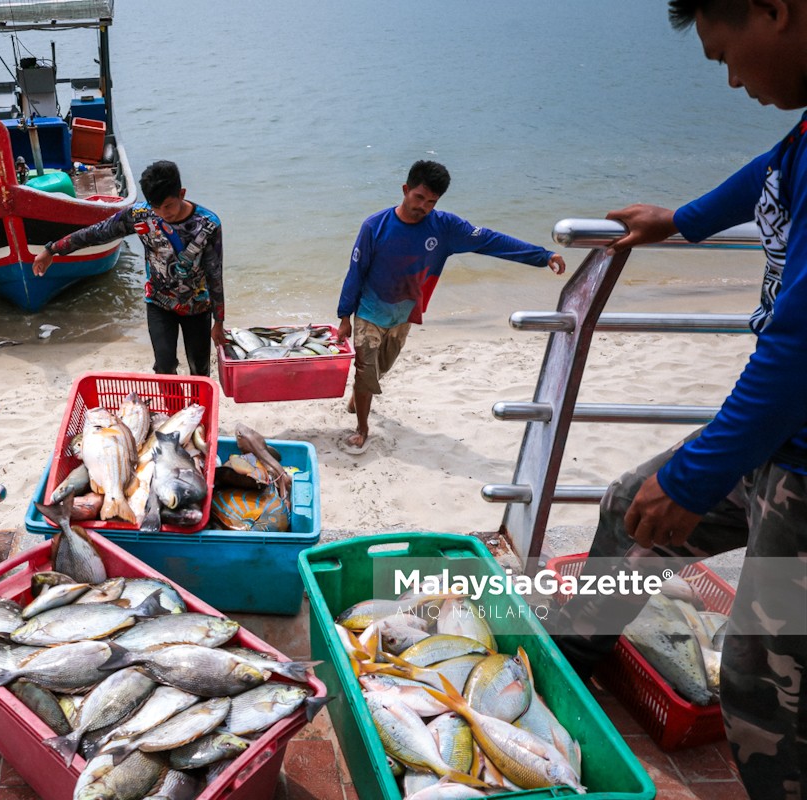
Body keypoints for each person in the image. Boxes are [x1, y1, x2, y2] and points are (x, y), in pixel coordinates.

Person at [548, 1, 807, 796]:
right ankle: (561, 664)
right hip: (780, 437)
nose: (731, 78)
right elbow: (772, 174)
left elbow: (799, 346)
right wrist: (681, 221)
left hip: (797, 448)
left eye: (727, 53)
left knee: (764, 688)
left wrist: (695, 480)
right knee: (631, 504)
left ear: (778, 10)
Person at [335, 160, 566, 454]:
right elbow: (355, 272)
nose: (424, 207)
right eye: (419, 198)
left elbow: (490, 241)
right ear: (405, 190)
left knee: (381, 367)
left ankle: (360, 393)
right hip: (368, 311)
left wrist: (542, 256)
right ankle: (362, 428)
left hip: (403, 314)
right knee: (366, 367)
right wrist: (345, 317)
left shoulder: (444, 228)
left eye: (432, 202)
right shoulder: (374, 227)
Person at [32, 160, 226, 376]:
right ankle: (173, 409)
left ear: (181, 193)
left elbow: (214, 274)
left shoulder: (207, 224)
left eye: (168, 205)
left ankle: (200, 408)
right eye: (156, 207)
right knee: (164, 366)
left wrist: (219, 321)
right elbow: (97, 233)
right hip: (159, 303)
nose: (163, 213)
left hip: (197, 307)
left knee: (200, 369)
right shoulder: (140, 215)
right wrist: (52, 249)